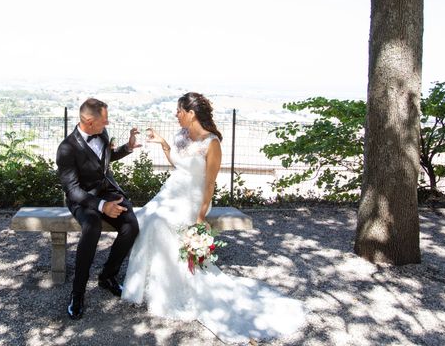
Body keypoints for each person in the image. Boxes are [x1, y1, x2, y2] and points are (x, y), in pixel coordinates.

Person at [122, 92, 305, 343]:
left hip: (194, 198)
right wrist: (163, 143)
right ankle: (149, 286)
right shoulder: (181, 136)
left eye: (179, 111)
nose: (176, 115)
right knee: (147, 218)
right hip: (171, 192)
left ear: (191, 113)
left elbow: (209, 183)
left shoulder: (212, 143)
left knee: (160, 223)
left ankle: (176, 289)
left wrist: (200, 215)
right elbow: (177, 163)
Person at [56, 98, 140, 320]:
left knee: (131, 226)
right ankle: (78, 293)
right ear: (89, 121)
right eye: (104, 120)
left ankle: (107, 276)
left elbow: (104, 158)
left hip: (107, 191)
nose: (108, 123)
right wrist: (103, 207)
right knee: (92, 226)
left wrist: (127, 148)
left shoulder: (101, 133)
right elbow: (72, 190)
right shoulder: (66, 148)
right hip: (83, 199)